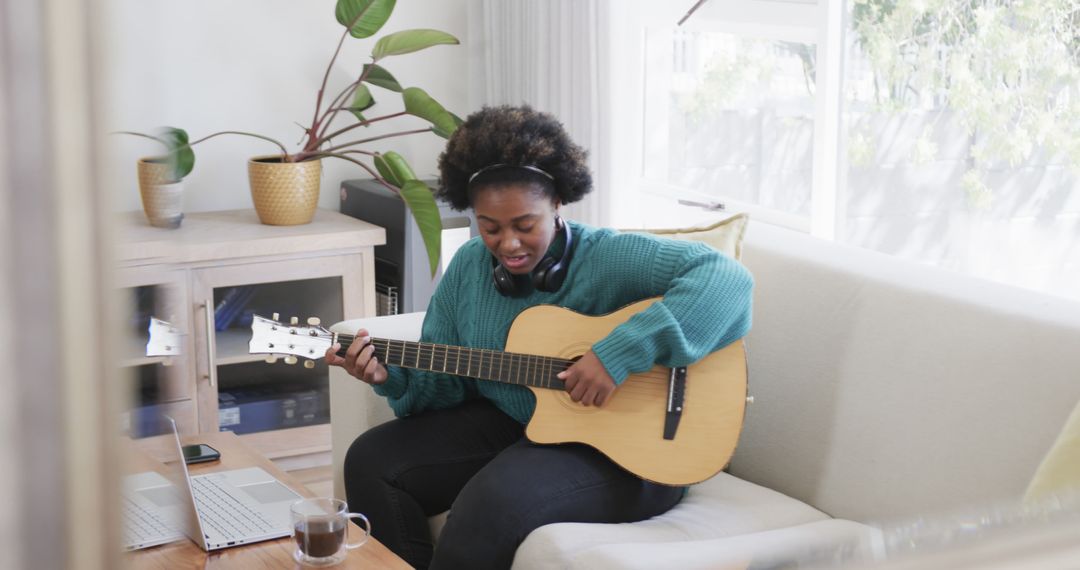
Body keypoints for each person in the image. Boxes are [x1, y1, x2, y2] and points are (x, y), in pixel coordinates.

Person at [326, 105, 753, 569]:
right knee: (372, 460)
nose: (508, 244)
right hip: (525, 424)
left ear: (557, 205)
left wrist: (619, 352)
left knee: (489, 504)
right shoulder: (469, 268)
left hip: (637, 453)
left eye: (524, 226)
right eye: (490, 227)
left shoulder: (608, 257)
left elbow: (726, 279)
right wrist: (388, 376)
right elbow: (444, 386)